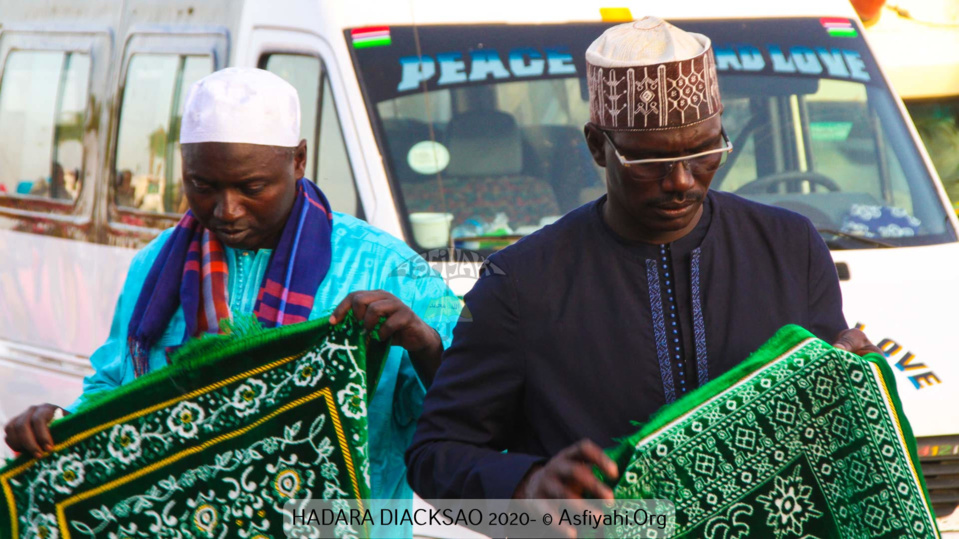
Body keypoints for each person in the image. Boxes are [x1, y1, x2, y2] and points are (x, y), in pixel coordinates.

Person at [405, 17, 881, 503]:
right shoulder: (520, 283)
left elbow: (830, 411)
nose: (681, 181)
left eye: (705, 151)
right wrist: (527, 486)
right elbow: (437, 453)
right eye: (650, 161)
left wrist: (857, 375)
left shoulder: (789, 246)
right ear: (598, 146)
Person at [5, 68, 460, 533]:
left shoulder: (386, 268)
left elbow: (474, 419)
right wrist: (59, 426)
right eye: (203, 186)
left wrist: (425, 345)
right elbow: (115, 389)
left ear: (299, 161)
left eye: (252, 188)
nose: (227, 210)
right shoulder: (154, 266)